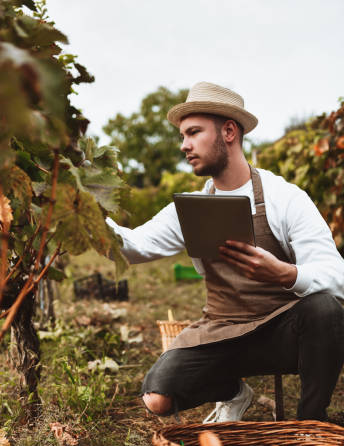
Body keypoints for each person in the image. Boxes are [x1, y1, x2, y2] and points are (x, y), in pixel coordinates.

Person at [107, 82, 344, 422]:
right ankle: (233, 392)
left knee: (324, 309)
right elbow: (133, 246)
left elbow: (337, 275)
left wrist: (285, 274)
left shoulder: (285, 198)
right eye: (182, 135)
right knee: (157, 398)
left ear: (229, 131)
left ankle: (311, 420)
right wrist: (82, 206)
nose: (184, 145)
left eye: (193, 133)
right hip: (222, 333)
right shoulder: (190, 209)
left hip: (282, 334)